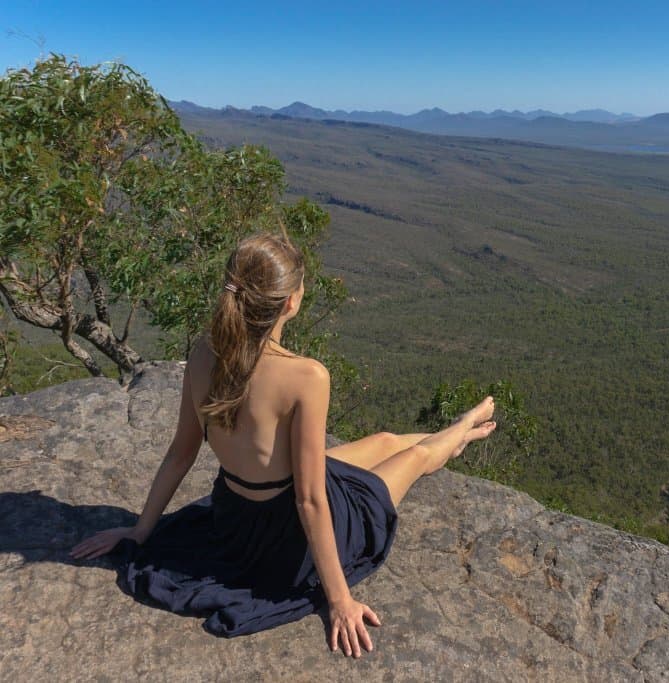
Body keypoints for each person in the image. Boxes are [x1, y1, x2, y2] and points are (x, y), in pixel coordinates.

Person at [69, 231, 497, 658]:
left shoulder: (203, 353)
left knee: (385, 440)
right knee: (418, 457)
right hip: (286, 538)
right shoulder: (307, 377)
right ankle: (461, 430)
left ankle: (455, 431)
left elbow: (181, 453)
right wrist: (339, 599)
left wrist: (141, 531)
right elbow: (310, 501)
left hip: (233, 518)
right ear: (291, 302)